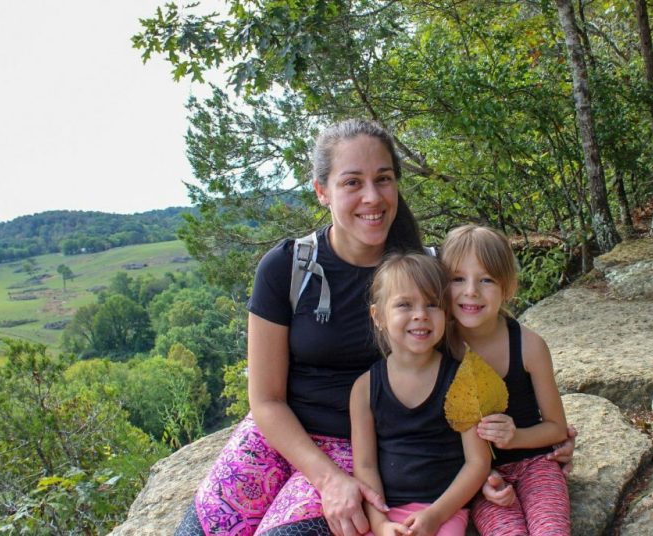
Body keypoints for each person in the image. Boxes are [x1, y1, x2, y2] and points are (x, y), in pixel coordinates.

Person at [175, 119, 575, 536]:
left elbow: (486, 342)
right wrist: (326, 480)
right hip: (280, 438)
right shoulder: (288, 268)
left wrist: (539, 436)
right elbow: (266, 400)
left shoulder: (427, 272)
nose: (372, 197)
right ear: (322, 191)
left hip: (363, 448)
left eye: (383, 179)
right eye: (352, 182)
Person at [440, 225, 571, 535]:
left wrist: (516, 438)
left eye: (486, 280)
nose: (471, 291)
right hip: (480, 479)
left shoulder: (528, 346)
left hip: (535, 466)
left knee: (551, 530)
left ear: (508, 287)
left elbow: (556, 427)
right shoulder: (437, 347)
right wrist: (478, 482)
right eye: (458, 279)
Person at [351, 253, 490, 536]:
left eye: (432, 304)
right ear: (378, 317)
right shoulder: (364, 388)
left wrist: (436, 515)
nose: (420, 315)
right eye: (404, 304)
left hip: (444, 510)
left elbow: (477, 462)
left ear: (446, 313)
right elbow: (365, 465)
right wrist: (380, 525)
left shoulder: (462, 380)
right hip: (386, 513)